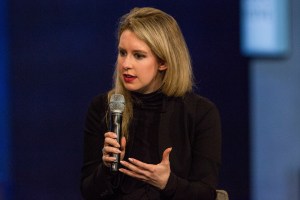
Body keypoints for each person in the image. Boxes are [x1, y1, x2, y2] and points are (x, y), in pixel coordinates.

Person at [80, 7, 222, 200]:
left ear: (163, 62)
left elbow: (206, 193)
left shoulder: (200, 113)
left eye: (138, 55)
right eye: (122, 53)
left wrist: (167, 183)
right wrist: (106, 169)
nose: (126, 64)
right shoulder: (104, 107)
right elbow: (88, 192)